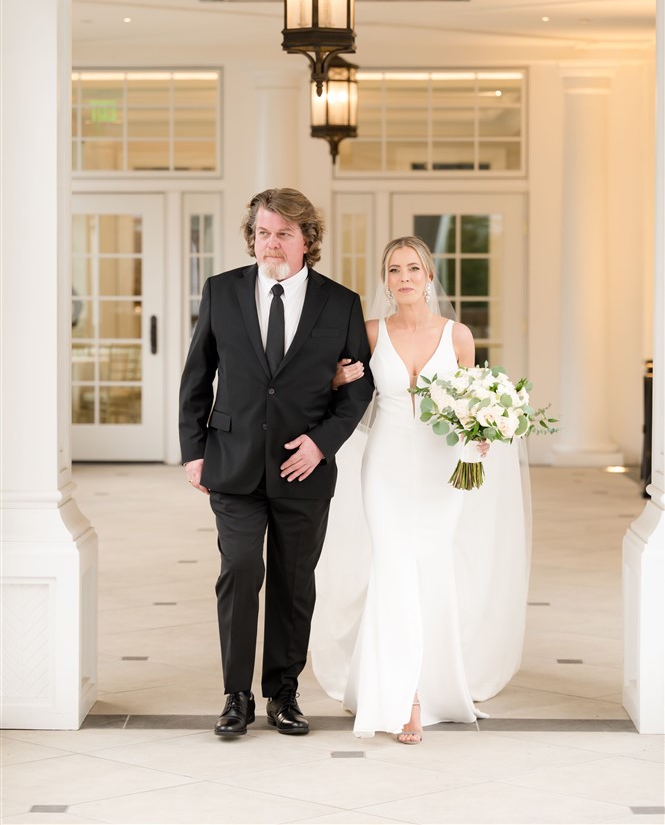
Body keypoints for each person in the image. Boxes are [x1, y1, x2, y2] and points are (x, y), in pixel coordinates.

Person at [311, 235, 530, 743]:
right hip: (385, 463)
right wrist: (337, 380)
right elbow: (334, 387)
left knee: (431, 570)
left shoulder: (458, 336)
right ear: (386, 280)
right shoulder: (369, 332)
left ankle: (434, 687)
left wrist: (482, 437)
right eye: (394, 269)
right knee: (391, 568)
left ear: (430, 277)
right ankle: (403, 696)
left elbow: (475, 402)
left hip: (439, 468)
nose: (404, 277)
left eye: (413, 268)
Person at [179, 188, 374, 739]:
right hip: (233, 463)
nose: (272, 244)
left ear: (307, 241)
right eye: (264, 233)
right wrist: (195, 452)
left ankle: (283, 694)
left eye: (284, 234)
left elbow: (357, 391)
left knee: (294, 583)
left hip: (303, 470)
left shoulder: (340, 303)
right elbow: (197, 377)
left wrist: (321, 444)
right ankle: (235, 695)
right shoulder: (222, 291)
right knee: (240, 572)